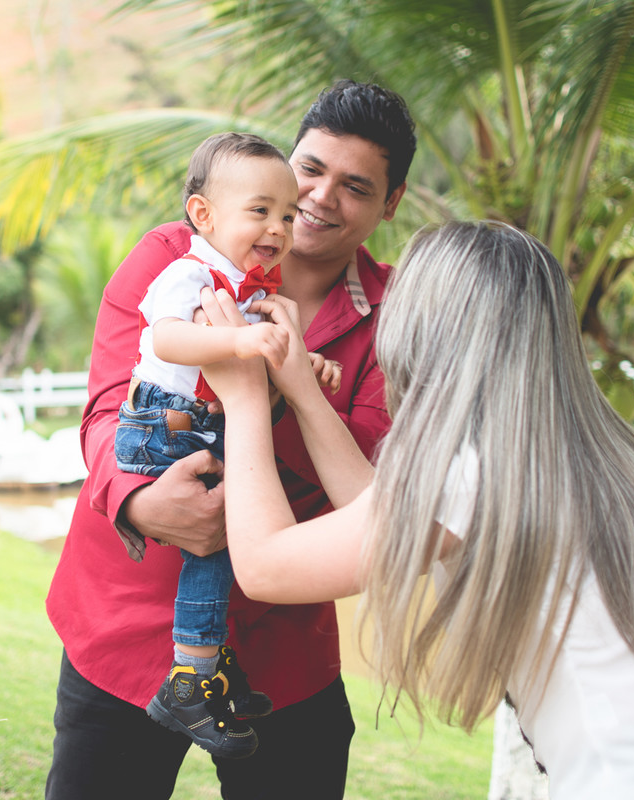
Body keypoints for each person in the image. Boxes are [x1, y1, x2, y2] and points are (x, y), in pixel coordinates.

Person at [200, 220, 634, 800]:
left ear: (426, 330)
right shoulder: (585, 447)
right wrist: (304, 394)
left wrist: (244, 396)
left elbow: (265, 566)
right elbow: (379, 508)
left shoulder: (470, 472)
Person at [43, 80, 416, 799]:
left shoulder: (397, 315)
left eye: (356, 186)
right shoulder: (172, 259)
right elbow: (105, 409)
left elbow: (367, 469)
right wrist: (136, 502)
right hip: (127, 625)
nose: (317, 198)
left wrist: (277, 387)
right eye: (310, 168)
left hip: (281, 649)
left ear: (389, 203)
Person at [112, 131, 339, 759]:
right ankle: (191, 678)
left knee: (238, 538)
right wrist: (240, 344)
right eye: (260, 211)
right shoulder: (190, 271)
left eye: (286, 216)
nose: (278, 227)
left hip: (200, 424)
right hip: (162, 426)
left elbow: (269, 359)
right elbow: (168, 341)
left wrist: (306, 364)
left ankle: (213, 662)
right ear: (203, 216)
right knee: (218, 542)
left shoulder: (249, 287)